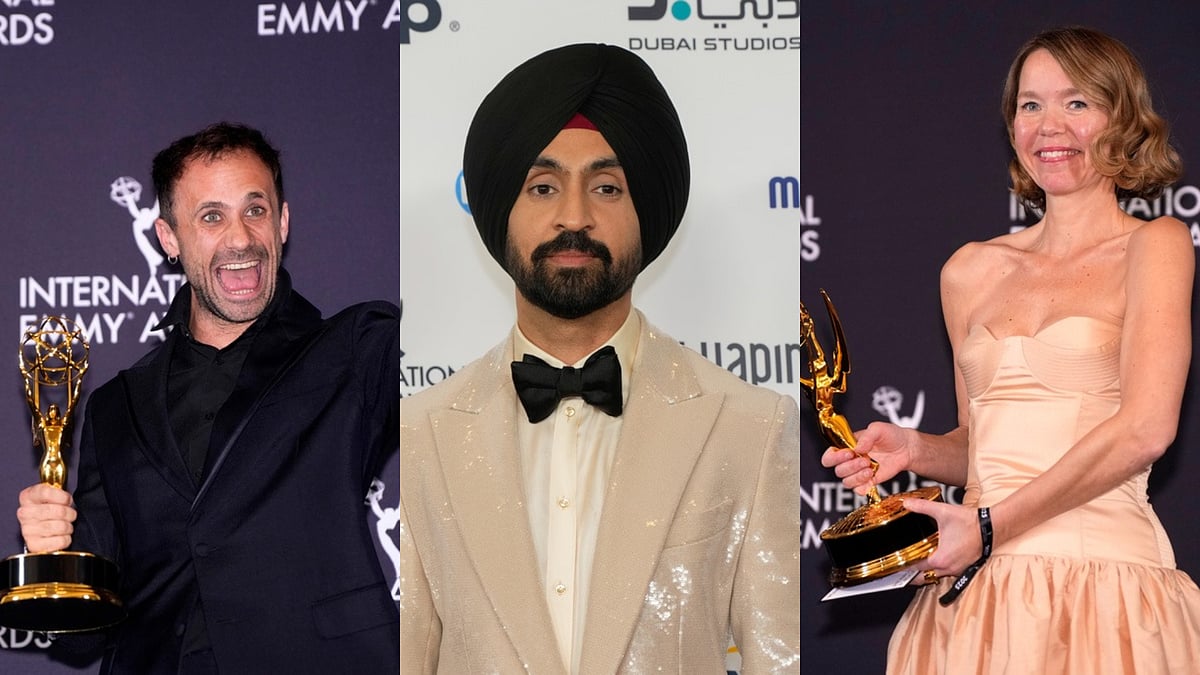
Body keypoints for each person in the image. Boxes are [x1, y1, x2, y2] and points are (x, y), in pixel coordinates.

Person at [399, 43, 800, 674]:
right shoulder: (421, 434)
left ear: (646, 213)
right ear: (502, 209)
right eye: (543, 187)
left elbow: (781, 658)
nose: (574, 217)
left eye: (607, 187)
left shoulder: (748, 427)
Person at [822, 26, 1200, 674]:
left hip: (1101, 587)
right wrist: (918, 449)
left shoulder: (1155, 245)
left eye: (1077, 102)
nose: (1050, 126)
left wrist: (990, 526)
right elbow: (981, 444)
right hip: (978, 598)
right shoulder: (969, 270)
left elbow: (1146, 429)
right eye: (1030, 105)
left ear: (1122, 118)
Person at [16, 122, 401, 673]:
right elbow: (80, 639)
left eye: (255, 210)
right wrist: (52, 555)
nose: (240, 238)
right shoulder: (116, 407)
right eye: (212, 217)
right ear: (169, 238)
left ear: (282, 222)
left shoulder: (357, 351)